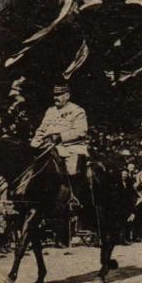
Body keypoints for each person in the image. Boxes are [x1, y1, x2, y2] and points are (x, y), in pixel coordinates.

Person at [31, 83, 90, 212]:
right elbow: (41, 130)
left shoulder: (78, 111)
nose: (55, 98)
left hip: (70, 147)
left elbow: (81, 131)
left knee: (71, 169)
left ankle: (74, 199)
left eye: (59, 95)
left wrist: (61, 136)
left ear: (67, 96)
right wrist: (34, 143)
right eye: (54, 95)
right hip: (48, 146)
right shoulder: (50, 111)